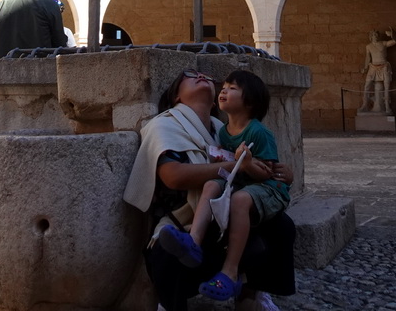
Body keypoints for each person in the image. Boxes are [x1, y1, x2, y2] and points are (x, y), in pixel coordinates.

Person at [124, 68, 296, 311]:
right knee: (168, 249)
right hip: (185, 220)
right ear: (177, 97)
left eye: (204, 75)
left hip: (224, 218)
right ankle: (169, 304)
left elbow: (262, 164)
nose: (201, 76)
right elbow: (173, 176)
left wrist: (282, 173)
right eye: (190, 75)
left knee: (280, 226)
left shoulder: (224, 128)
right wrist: (235, 166)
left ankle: (250, 296)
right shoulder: (164, 125)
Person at [359, 28, 396, 113]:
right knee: (367, 86)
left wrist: (391, 34)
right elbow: (368, 58)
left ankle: (387, 106)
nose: (375, 37)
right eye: (373, 35)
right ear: (371, 37)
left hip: (384, 66)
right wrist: (365, 68)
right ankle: (365, 104)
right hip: (373, 67)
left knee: (386, 87)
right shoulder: (368, 46)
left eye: (376, 35)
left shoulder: (383, 43)